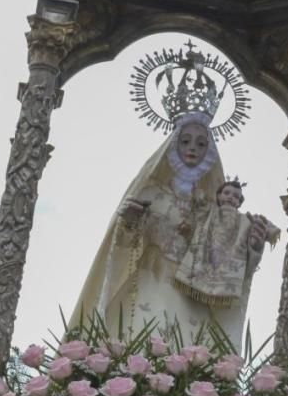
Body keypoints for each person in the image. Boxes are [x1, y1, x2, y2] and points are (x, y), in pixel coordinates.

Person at [71, 112, 267, 349]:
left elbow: (223, 257)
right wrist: (130, 222)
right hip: (147, 281)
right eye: (185, 141)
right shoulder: (150, 193)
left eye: (201, 143)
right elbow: (125, 244)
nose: (192, 148)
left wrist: (252, 247)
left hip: (191, 290)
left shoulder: (212, 209)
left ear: (209, 152)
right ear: (174, 145)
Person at [174, 178, 279, 311]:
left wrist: (258, 238)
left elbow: (269, 229)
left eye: (236, 196)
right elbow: (196, 203)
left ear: (239, 202)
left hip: (229, 259)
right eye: (227, 193)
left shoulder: (245, 219)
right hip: (204, 255)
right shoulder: (209, 210)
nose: (230, 197)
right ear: (218, 195)